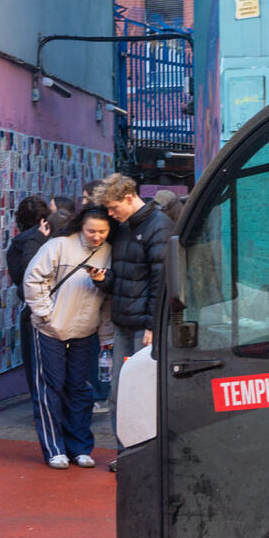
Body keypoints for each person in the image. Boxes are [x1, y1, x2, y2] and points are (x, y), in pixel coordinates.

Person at [22, 206, 113, 469]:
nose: (97, 236)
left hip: (85, 330)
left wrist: (105, 333)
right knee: (51, 388)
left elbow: (107, 298)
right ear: (80, 227)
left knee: (80, 389)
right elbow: (33, 279)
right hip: (51, 330)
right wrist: (45, 315)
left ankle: (80, 448)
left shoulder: (108, 252)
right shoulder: (58, 246)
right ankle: (54, 449)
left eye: (102, 232)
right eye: (91, 231)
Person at [99, 173, 174, 469]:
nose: (109, 213)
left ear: (129, 198)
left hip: (142, 327)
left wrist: (153, 327)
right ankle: (128, 455)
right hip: (126, 323)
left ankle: (139, 456)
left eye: (112, 206)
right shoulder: (128, 227)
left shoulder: (157, 226)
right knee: (121, 393)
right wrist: (105, 280)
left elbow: (161, 281)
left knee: (137, 394)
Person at [6, 195, 52, 401]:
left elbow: (20, 279)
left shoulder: (16, 247)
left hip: (31, 310)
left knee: (33, 361)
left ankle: (39, 406)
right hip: (56, 306)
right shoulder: (54, 241)